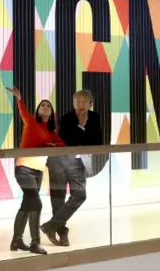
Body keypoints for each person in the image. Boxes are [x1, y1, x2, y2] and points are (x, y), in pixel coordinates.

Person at [6, 86, 65, 255]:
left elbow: (61, 144)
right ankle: (34, 243)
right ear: (38, 110)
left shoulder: (51, 131)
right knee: (36, 204)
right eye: (42, 105)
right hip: (23, 168)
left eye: (48, 105)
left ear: (51, 111)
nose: (45, 106)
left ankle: (16, 240)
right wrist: (19, 98)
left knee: (28, 204)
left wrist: (52, 144)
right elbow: (23, 112)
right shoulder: (31, 121)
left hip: (38, 171)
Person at [40, 90, 102, 247]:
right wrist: (80, 126)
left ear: (90, 104)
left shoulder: (95, 118)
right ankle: (62, 232)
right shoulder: (66, 119)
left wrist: (82, 131)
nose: (80, 105)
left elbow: (97, 141)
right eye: (78, 102)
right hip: (59, 162)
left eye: (84, 102)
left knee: (80, 195)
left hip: (78, 162)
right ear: (73, 104)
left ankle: (51, 226)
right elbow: (69, 141)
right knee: (58, 198)